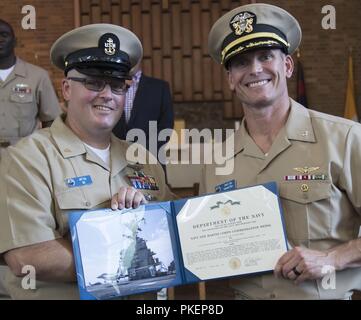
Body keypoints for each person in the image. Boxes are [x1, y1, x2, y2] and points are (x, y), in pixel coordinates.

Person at [0, 23, 173, 300]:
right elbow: (27, 257)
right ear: (66, 89)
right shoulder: (27, 159)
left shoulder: (142, 159)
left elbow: (172, 230)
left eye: (117, 86)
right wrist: (135, 258)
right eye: (93, 82)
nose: (107, 94)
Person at [202, 3, 361, 299]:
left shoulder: (345, 138)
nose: (255, 70)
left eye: (265, 56)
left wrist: (331, 258)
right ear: (230, 79)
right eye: (240, 62)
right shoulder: (216, 160)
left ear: (287, 66)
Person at [0, 19, 60, 156]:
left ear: (14, 41)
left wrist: (45, 151)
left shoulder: (38, 76)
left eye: (4, 35)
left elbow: (51, 121)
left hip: (25, 156)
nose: (0, 40)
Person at [112, 61, 174, 167]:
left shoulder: (159, 87)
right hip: (115, 159)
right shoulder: (108, 86)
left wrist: (140, 151)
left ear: (140, 57)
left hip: (151, 160)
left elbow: (166, 127)